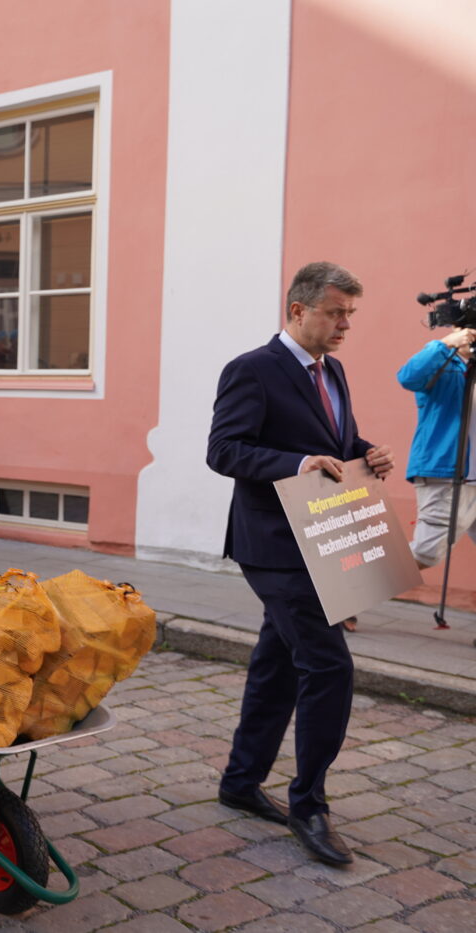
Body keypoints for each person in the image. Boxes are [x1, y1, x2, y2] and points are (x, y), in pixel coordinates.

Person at [207, 262, 394, 867]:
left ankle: (240, 782)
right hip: (273, 543)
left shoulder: (332, 370)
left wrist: (365, 452)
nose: (345, 325)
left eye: (350, 315)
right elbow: (225, 450)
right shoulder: (251, 369)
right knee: (328, 666)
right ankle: (309, 805)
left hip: (324, 533)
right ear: (297, 310)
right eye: (336, 313)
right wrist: (296, 463)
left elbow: (338, 442)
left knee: (279, 661)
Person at [397, 327, 476, 569]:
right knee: (424, 554)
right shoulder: (443, 363)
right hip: (447, 475)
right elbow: (408, 377)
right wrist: (444, 344)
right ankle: (347, 587)